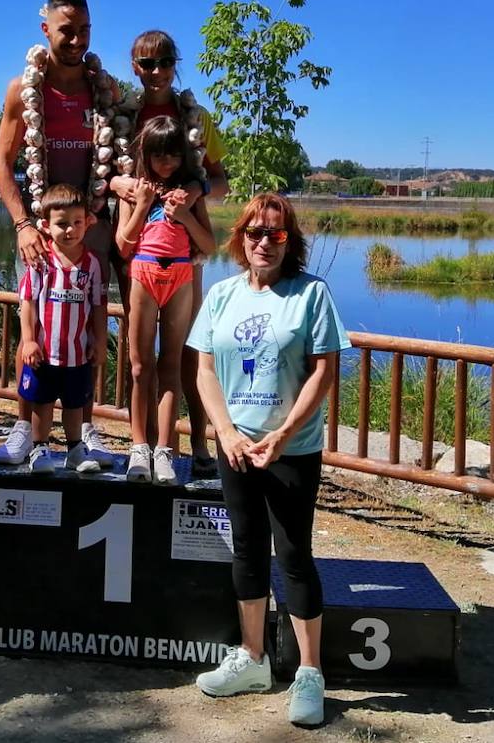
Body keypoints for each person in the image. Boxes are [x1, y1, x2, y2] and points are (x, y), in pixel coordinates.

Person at [187, 193, 344, 728]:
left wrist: (282, 434)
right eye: (254, 231)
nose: (263, 241)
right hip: (237, 447)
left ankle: (309, 672)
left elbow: (324, 371)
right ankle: (253, 659)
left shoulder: (310, 295)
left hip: (290, 450)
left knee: (293, 554)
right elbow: (205, 369)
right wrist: (225, 432)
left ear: (289, 241)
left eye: (275, 234)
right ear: (240, 238)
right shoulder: (222, 294)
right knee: (247, 549)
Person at [0, 0, 115, 468]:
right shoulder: (23, 89)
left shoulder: (105, 88)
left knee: (87, 329)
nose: (77, 40)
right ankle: (26, 430)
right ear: (46, 30)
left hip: (92, 227)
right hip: (40, 227)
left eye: (85, 30)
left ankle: (86, 433)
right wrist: (23, 223)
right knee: (35, 327)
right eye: (67, 30)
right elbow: (2, 163)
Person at [108, 31, 229, 478]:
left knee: (186, 354)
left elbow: (222, 181)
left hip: (183, 258)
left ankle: (194, 446)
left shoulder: (197, 117)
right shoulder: (121, 115)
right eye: (145, 64)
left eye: (164, 62)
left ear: (176, 63)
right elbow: (99, 173)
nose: (155, 72)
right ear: (134, 66)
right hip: (138, 252)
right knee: (139, 360)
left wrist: (196, 189)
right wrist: (122, 188)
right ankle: (146, 447)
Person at [115, 116, 215, 484]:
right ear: (147, 155)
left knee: (170, 365)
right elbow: (123, 245)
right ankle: (139, 447)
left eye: (173, 154)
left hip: (181, 276)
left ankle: (164, 451)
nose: (167, 162)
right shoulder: (135, 189)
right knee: (140, 368)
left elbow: (209, 245)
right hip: (143, 274)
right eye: (159, 155)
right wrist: (142, 205)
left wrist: (185, 216)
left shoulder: (191, 191)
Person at [16, 183, 106, 475]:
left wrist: (99, 339)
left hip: (77, 353)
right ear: (45, 225)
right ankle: (40, 449)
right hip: (45, 351)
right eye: (62, 224)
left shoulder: (91, 263)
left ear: (87, 222)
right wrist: (29, 340)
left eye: (77, 223)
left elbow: (98, 305)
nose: (70, 230)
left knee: (74, 405)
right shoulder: (41, 261)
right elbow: (28, 300)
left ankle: (75, 450)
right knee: (41, 403)